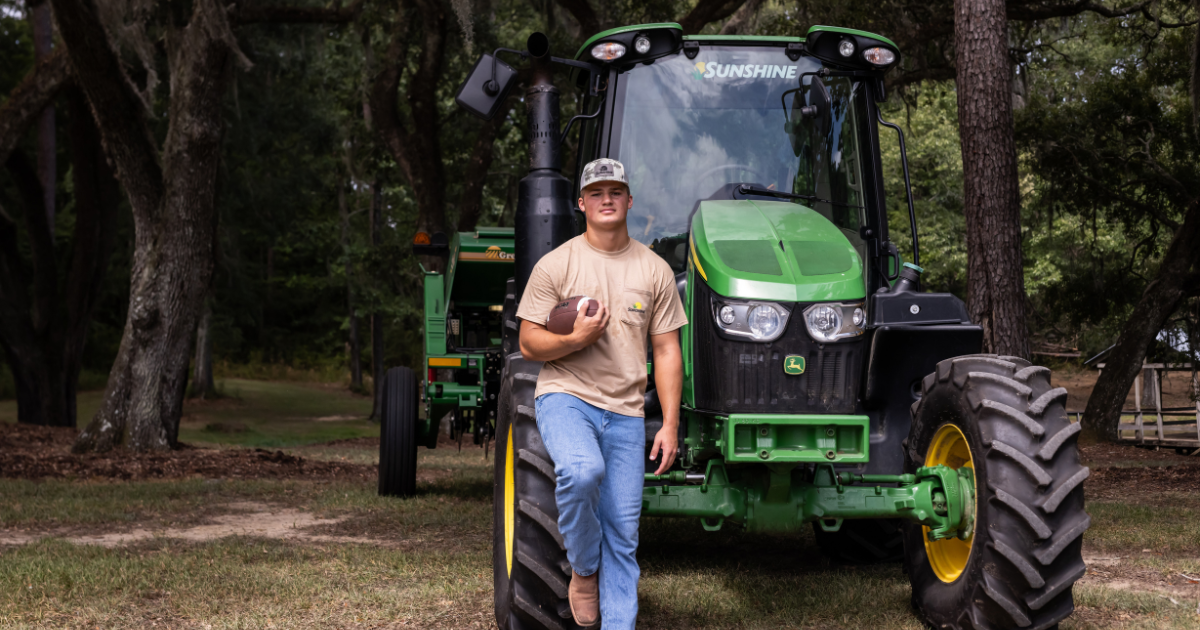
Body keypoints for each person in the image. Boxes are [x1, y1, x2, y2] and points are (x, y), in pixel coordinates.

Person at [515, 158, 687, 629]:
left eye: (615, 191)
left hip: (627, 414)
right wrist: (574, 340)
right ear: (581, 204)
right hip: (566, 396)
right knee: (581, 470)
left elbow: (668, 351)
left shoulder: (654, 270)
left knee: (624, 535)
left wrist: (669, 425)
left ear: (629, 200)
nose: (606, 199)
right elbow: (529, 342)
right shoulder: (557, 264)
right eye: (596, 192)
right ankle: (585, 570)